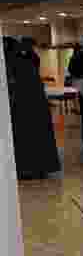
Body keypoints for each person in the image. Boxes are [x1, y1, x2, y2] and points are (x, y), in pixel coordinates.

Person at [5, 36, 61, 179]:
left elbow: (13, 85)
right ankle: (40, 168)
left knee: (26, 137)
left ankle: (28, 169)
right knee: (37, 136)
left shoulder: (14, 61)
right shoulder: (27, 60)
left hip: (22, 105)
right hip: (34, 103)